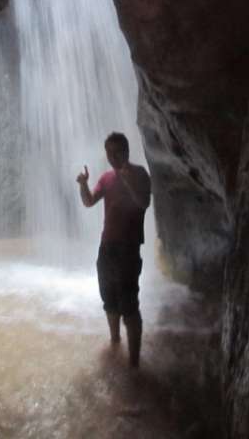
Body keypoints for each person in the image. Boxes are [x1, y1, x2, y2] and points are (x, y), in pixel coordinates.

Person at [76, 132, 151, 368]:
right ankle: (115, 341)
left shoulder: (140, 174)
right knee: (108, 298)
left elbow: (144, 203)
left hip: (129, 249)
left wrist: (127, 181)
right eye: (108, 152)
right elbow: (89, 202)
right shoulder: (106, 178)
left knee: (129, 304)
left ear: (127, 151)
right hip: (106, 248)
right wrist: (83, 184)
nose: (112, 156)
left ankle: (134, 363)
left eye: (116, 151)